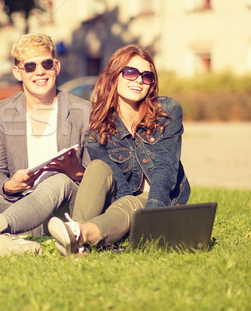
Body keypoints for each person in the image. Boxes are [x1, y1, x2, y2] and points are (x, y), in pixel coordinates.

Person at [0, 33, 93, 257]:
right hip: (20, 205)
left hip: (63, 211)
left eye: (46, 64)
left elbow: (99, 179)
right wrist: (9, 186)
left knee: (59, 180)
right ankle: (17, 245)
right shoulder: (1, 112)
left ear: (56, 67)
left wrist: (73, 171)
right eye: (30, 66)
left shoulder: (83, 111)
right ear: (17, 72)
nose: (39, 72)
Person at [48, 45, 191, 256]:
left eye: (147, 76)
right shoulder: (97, 126)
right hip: (120, 202)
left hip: (162, 200)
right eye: (130, 72)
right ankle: (77, 236)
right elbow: (119, 186)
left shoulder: (167, 111)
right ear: (114, 76)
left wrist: (150, 217)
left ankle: (79, 234)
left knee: (134, 202)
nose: (139, 80)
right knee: (97, 167)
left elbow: (165, 167)